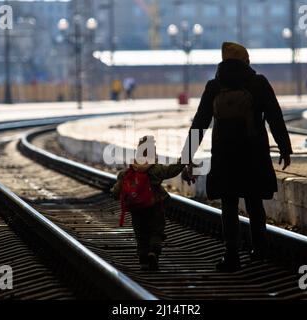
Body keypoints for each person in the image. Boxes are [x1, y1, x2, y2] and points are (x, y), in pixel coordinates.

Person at [181, 42, 292, 272]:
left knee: (229, 205)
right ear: (246, 61)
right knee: (254, 203)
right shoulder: (258, 83)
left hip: (225, 154)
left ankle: (231, 255)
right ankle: (260, 252)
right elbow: (275, 116)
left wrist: (187, 157)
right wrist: (285, 147)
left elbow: (199, 124)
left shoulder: (214, 86)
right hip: (253, 153)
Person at [111, 136, 185, 271]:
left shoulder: (127, 172)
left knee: (141, 234)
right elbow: (173, 170)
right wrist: (184, 159)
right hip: (154, 208)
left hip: (136, 210)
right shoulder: (156, 170)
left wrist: (115, 193)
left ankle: (143, 258)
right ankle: (153, 252)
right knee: (156, 231)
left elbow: (116, 192)